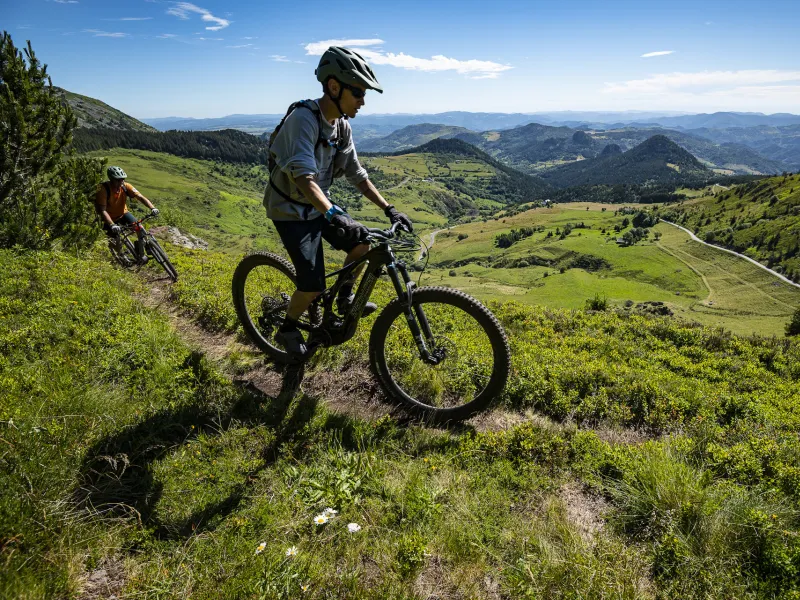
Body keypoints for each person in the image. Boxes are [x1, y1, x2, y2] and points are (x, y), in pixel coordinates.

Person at [265, 46, 413, 356]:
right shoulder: (303, 120)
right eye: (358, 92)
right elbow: (304, 179)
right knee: (312, 284)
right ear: (334, 87)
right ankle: (288, 327)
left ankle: (343, 299)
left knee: (362, 243)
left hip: (319, 205)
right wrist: (334, 214)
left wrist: (390, 209)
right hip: (289, 210)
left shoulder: (342, 127)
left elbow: (358, 176)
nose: (362, 100)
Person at [95, 166, 160, 265]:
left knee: (140, 228)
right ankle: (122, 258)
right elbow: (102, 210)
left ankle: (142, 251)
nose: (121, 182)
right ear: (111, 179)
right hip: (108, 219)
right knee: (116, 240)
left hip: (123, 213)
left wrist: (152, 208)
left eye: (122, 179)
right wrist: (112, 225)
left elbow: (140, 197)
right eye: (118, 180)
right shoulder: (103, 189)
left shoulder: (125, 186)